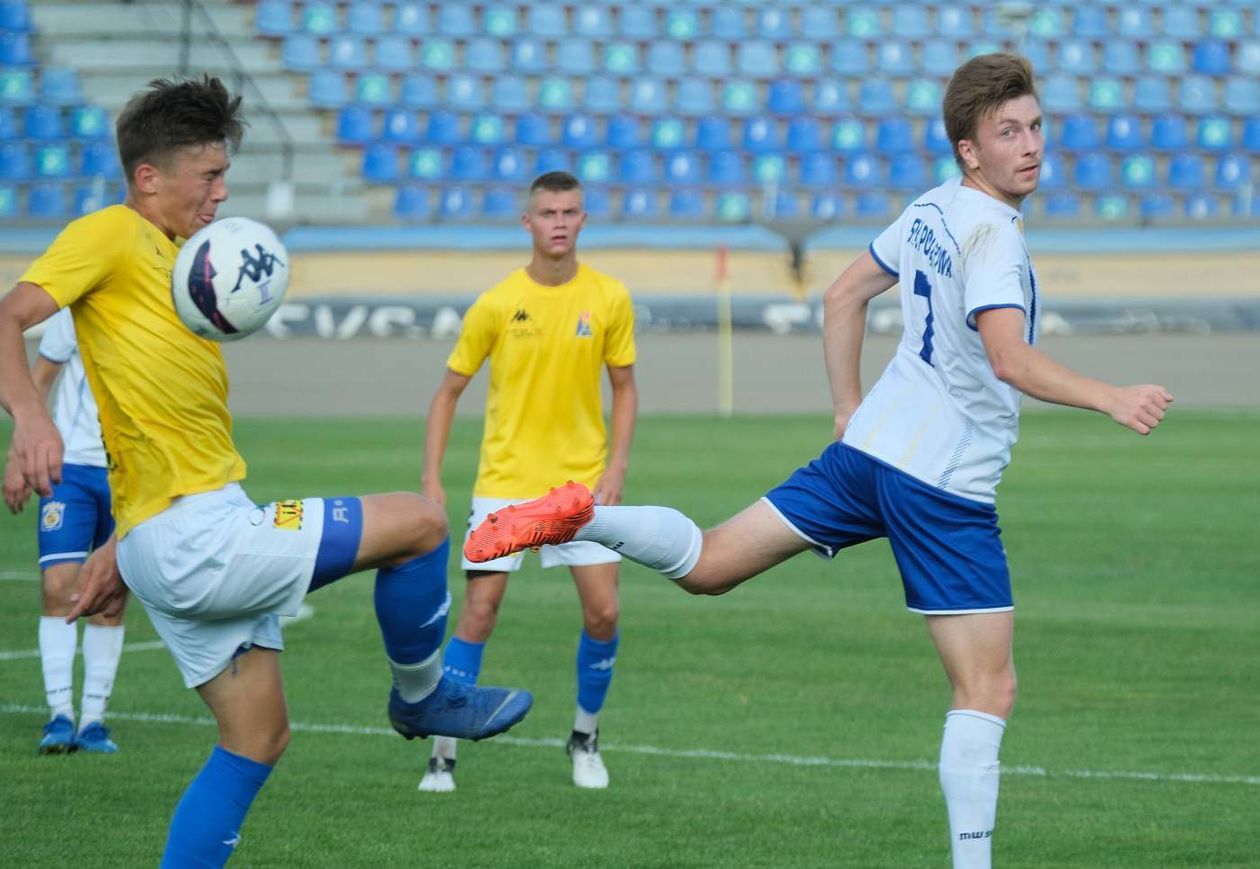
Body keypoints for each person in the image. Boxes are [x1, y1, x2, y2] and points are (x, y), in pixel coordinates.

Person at [463, 54, 1173, 868]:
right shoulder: (993, 238)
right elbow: (1008, 357)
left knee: (711, 564)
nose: (1031, 144)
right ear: (969, 150)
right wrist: (1111, 395)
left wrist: (847, 409)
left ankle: (586, 517)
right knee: (987, 688)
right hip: (942, 485)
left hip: (868, 452)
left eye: (1036, 126)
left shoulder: (931, 207)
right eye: (1007, 131)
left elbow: (842, 295)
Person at [0, 76, 532, 867]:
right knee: (421, 523)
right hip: (198, 538)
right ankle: (424, 697)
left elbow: (156, 431)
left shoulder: (180, 264)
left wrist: (123, 545)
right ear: (149, 177)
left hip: (166, 533)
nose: (222, 192)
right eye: (210, 175)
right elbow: (7, 314)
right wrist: (32, 420)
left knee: (256, 737)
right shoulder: (111, 232)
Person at [420, 171, 638, 792]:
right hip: (506, 482)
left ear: (583, 219)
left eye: (569, 212)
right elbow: (447, 393)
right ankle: (442, 754)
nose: (559, 223)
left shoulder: (610, 297)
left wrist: (616, 467)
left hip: (580, 487)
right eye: (548, 213)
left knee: (604, 613)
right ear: (528, 222)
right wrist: (432, 478)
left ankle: (585, 737)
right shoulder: (496, 303)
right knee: (479, 612)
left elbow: (625, 389)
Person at [3, 308, 125, 754]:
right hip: (70, 468)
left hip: (128, 471)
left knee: (110, 597)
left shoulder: (156, 310)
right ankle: (60, 715)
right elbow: (39, 381)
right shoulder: (76, 314)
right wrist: (19, 454)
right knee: (58, 587)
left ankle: (93, 721)